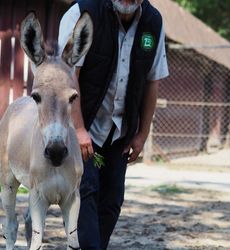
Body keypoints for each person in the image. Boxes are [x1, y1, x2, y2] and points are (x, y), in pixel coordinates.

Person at [58, 0, 169, 249]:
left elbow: (153, 81)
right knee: (86, 190)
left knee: (112, 200)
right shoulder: (82, 13)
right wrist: (78, 128)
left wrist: (142, 133)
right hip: (82, 126)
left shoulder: (153, 22)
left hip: (120, 132)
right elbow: (68, 73)